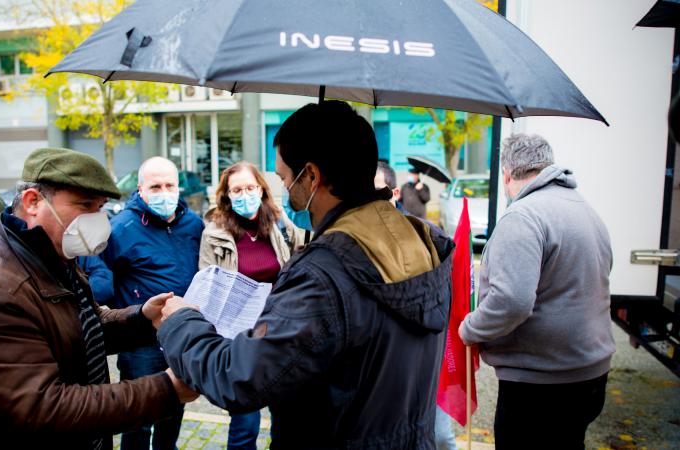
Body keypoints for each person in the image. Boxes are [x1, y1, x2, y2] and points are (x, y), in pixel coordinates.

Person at [154, 101, 455, 448]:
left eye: (283, 176)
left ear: (311, 176)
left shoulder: (323, 272)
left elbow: (240, 378)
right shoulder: (423, 238)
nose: (282, 186)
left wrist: (181, 321)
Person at [0, 148, 198, 450]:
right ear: (33, 202)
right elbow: (43, 407)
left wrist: (143, 318)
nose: (98, 220)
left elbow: (80, 326)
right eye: (85, 206)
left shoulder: (50, 255)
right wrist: (166, 389)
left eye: (100, 207)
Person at [458, 134, 615, 450]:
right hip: (589, 374)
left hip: (541, 383)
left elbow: (511, 301)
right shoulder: (583, 207)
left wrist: (469, 329)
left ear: (506, 174)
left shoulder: (523, 216)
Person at [101, 156, 204, 450]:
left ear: (178, 187)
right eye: (155, 186)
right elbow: (102, 277)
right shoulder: (121, 227)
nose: (164, 192)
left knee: (174, 406)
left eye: (169, 185)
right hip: (141, 340)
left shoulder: (193, 225)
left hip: (181, 334)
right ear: (141, 189)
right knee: (138, 413)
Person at [199, 161, 295, 449]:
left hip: (279, 334)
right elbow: (208, 288)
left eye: (250, 187)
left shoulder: (279, 224)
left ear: (262, 190)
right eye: (237, 189)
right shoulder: (214, 233)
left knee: (286, 418)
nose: (245, 194)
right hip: (240, 340)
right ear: (226, 195)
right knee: (245, 424)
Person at [374, 164, 458, 450]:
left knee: (439, 436)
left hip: (424, 357)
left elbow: (443, 300)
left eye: (376, 192)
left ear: (394, 193)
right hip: (381, 368)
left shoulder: (428, 238)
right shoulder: (352, 240)